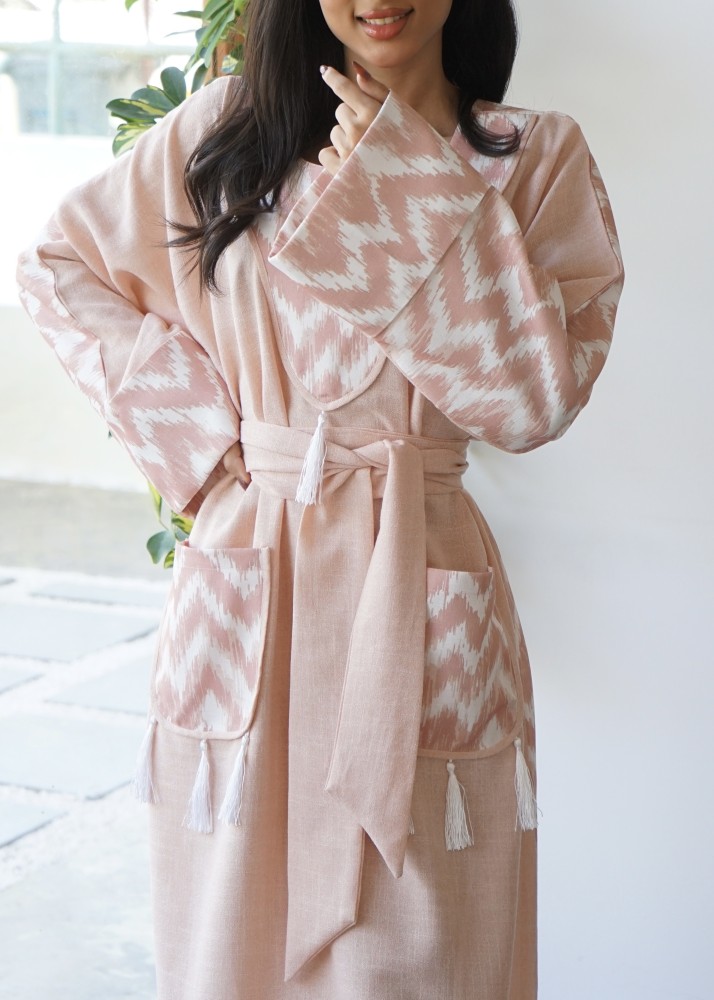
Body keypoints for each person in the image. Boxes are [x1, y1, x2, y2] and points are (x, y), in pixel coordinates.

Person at [16, 0, 624, 997]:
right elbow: (61, 265)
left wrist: (401, 180)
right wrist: (207, 441)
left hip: (419, 582)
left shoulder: (535, 158)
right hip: (255, 584)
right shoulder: (225, 135)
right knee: (231, 939)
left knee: (422, 946)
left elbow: (533, 398)